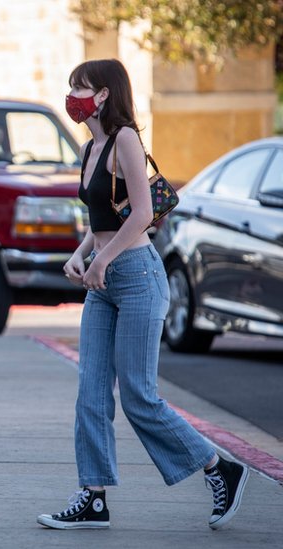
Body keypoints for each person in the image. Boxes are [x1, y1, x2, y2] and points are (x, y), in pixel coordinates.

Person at [36, 58, 248, 531]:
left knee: (138, 395)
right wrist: (82, 253)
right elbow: (105, 217)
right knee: (90, 391)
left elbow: (144, 214)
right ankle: (93, 496)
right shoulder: (90, 146)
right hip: (104, 277)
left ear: (105, 93)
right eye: (71, 85)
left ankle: (220, 468)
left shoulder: (125, 139)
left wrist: (104, 260)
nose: (72, 94)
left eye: (80, 86)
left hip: (136, 275)